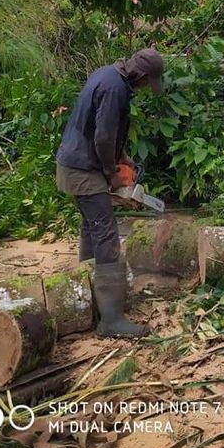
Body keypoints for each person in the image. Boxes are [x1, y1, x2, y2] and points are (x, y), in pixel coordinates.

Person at [56, 48, 164, 337]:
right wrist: (111, 174)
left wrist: (123, 157)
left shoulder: (107, 75)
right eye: (146, 82)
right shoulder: (115, 88)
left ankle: (88, 297)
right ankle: (111, 320)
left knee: (92, 228)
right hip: (84, 167)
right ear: (141, 75)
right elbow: (103, 137)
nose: (144, 88)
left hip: (75, 162)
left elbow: (105, 130)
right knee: (105, 233)